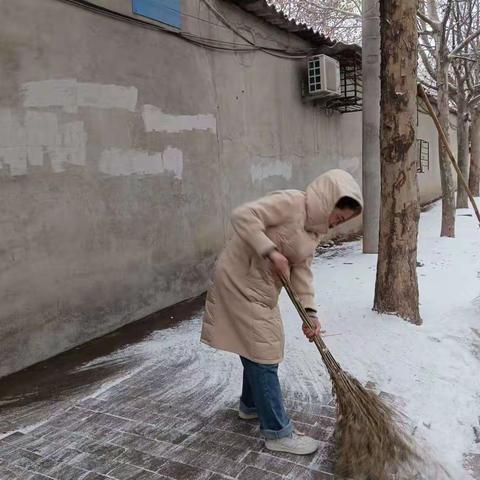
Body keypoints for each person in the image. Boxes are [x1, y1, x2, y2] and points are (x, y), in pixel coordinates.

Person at [201, 169, 363, 455]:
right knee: (264, 351)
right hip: (239, 280)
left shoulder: (314, 232)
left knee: (256, 347)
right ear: (328, 200)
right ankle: (277, 432)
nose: (337, 223)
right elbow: (242, 215)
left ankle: (251, 406)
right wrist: (271, 251)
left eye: (343, 221)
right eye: (338, 216)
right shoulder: (291, 203)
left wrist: (309, 312)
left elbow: (302, 271)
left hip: (261, 289)